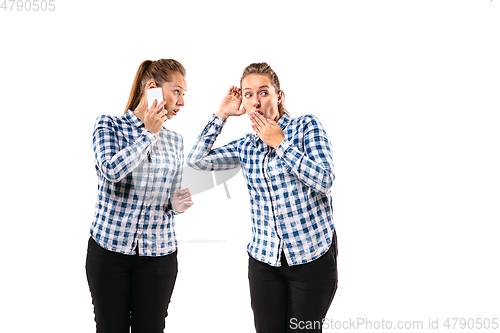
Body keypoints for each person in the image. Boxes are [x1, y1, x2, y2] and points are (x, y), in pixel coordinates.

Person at [186, 62, 338, 332]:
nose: (256, 101)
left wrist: (280, 143)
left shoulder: (306, 127)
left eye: (263, 92)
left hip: (311, 259)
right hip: (264, 261)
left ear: (279, 96)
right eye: (248, 94)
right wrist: (221, 115)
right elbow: (197, 161)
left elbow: (324, 181)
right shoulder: (246, 145)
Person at [86, 58, 193, 333]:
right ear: (153, 88)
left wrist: (178, 204)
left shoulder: (176, 141)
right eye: (177, 91)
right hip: (109, 253)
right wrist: (148, 134)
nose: (181, 102)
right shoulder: (109, 126)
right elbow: (111, 170)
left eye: (184, 94)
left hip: (159, 256)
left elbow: (172, 199)